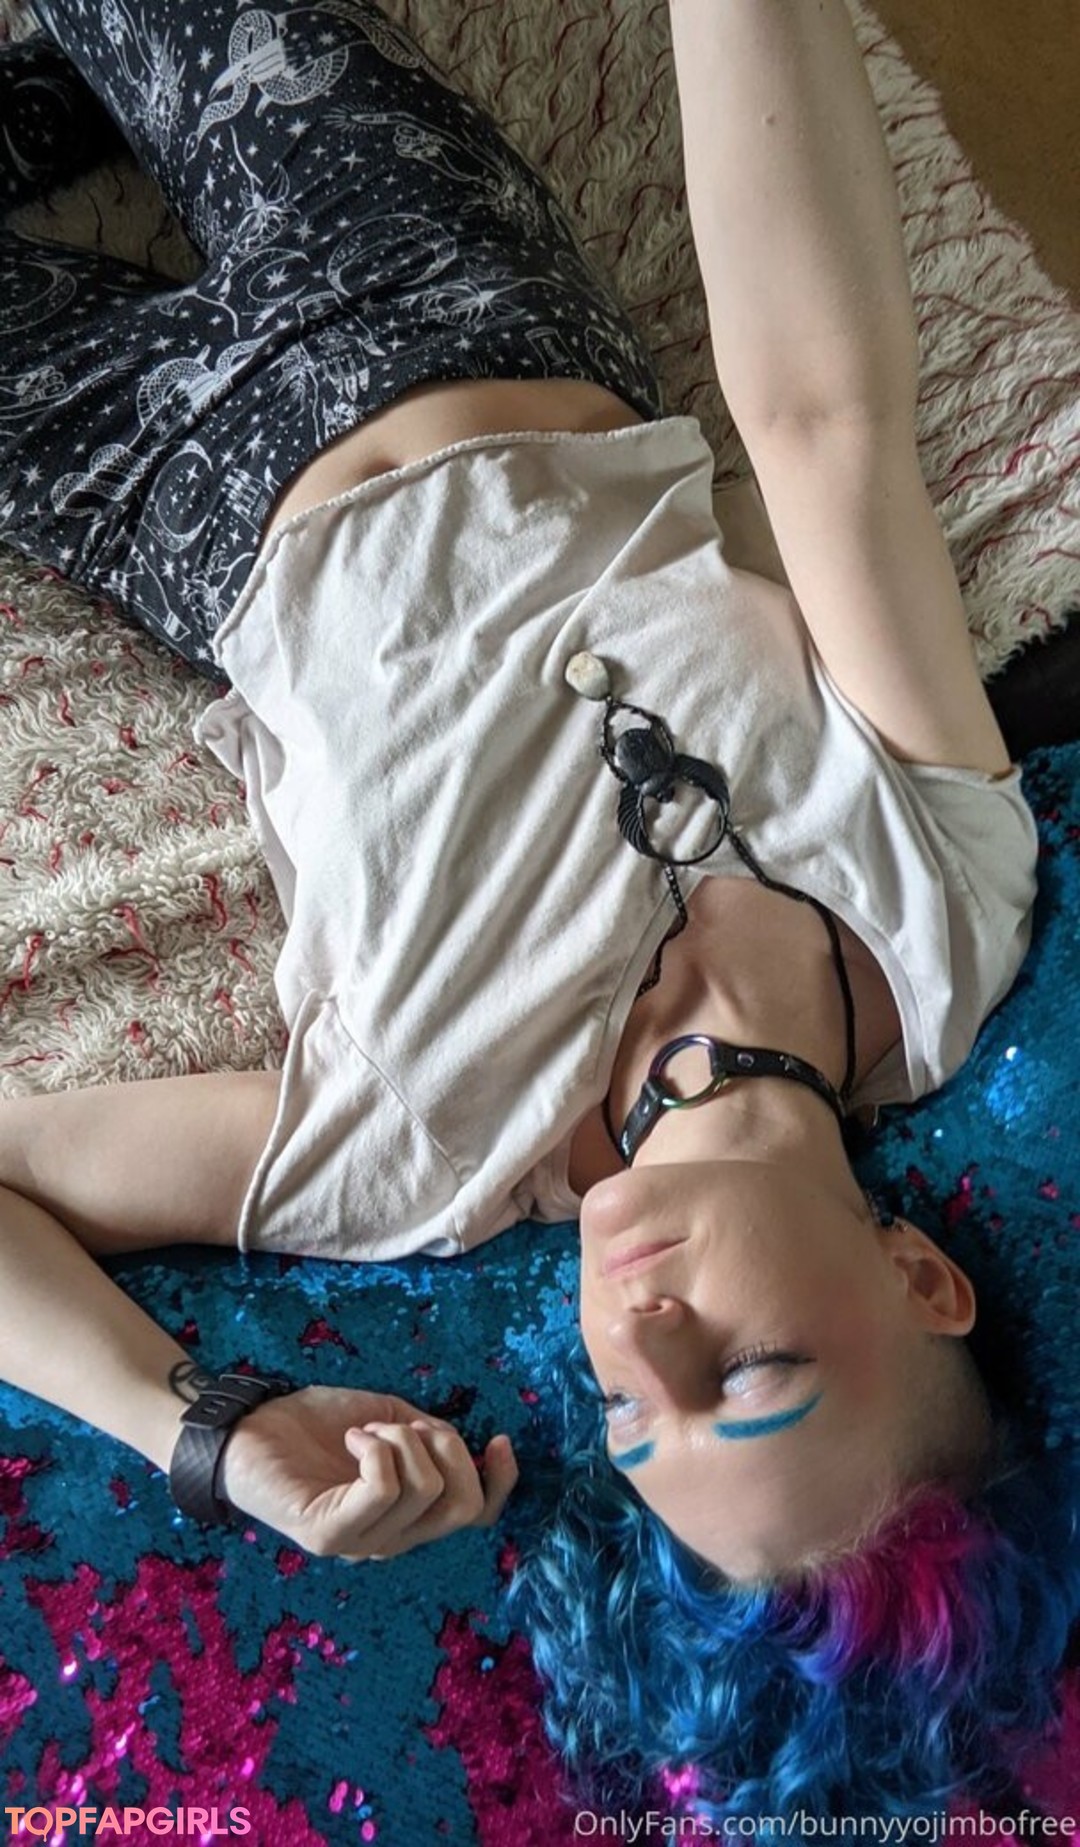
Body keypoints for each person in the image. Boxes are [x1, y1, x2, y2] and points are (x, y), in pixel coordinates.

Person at [1, 0, 1074, 1819]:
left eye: (633, 1421)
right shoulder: (944, 923)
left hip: (181, 507)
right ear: (921, 1278)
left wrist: (215, 1438)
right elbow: (826, 426)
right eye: (747, 1371)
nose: (631, 1335)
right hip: (442, 310)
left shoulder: (423, 1162)